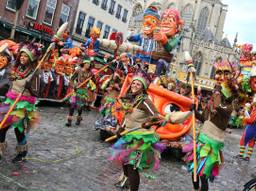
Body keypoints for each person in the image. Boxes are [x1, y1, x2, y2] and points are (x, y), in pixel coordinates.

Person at [109, 72, 192, 191]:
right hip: (127, 135)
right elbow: (127, 117)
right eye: (134, 83)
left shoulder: (144, 101)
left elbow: (157, 117)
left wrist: (149, 123)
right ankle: (126, 181)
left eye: (138, 84)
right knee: (124, 161)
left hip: (139, 140)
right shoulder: (131, 99)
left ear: (143, 88)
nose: (135, 86)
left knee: (133, 166)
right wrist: (120, 130)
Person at [183, 59, 239, 191]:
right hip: (202, 140)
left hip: (212, 145)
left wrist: (218, 89)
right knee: (194, 171)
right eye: (219, 73)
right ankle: (195, 189)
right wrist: (194, 111)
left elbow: (218, 106)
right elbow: (204, 118)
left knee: (203, 175)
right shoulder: (212, 101)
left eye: (224, 74)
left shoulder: (230, 106)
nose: (220, 77)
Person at [0, 42, 41, 163]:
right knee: (2, 126)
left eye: (25, 56)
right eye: (21, 55)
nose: (22, 58)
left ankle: (22, 152)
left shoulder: (35, 72)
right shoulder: (16, 68)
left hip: (23, 104)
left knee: (18, 129)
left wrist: (30, 88)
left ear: (31, 58)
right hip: (11, 100)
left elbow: (37, 93)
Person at [65, 58, 96, 127]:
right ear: (84, 64)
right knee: (72, 105)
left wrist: (93, 77)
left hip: (83, 91)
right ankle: (69, 121)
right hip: (76, 90)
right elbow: (71, 79)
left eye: (89, 64)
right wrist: (73, 86)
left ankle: (79, 118)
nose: (88, 65)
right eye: (87, 64)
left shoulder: (90, 73)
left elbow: (94, 82)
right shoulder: (78, 70)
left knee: (79, 107)